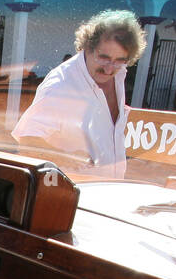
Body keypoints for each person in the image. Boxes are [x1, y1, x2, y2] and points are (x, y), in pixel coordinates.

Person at [12, 9, 147, 178]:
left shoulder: (118, 73)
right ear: (87, 47)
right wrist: (64, 157)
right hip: (71, 193)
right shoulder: (60, 86)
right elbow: (27, 140)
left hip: (110, 190)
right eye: (103, 58)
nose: (109, 68)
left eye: (119, 61)